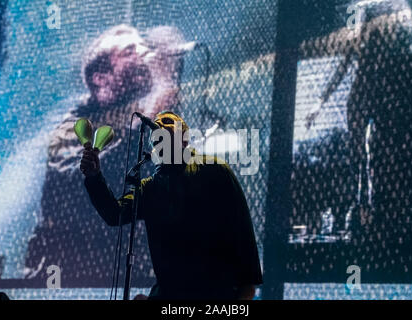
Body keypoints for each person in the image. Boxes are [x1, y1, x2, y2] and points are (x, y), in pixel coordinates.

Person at [24, 25, 191, 284]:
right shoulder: (72, 126)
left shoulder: (143, 112)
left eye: (142, 47)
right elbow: (100, 177)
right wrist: (161, 92)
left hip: (134, 270)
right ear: (101, 78)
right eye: (129, 51)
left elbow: (169, 172)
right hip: (70, 276)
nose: (143, 54)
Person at [80, 110, 263, 300]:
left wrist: (246, 290)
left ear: (185, 138)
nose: (160, 124)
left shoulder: (215, 170)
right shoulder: (150, 188)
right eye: (157, 129)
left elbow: (243, 233)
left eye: (168, 122)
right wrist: (94, 177)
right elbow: (114, 213)